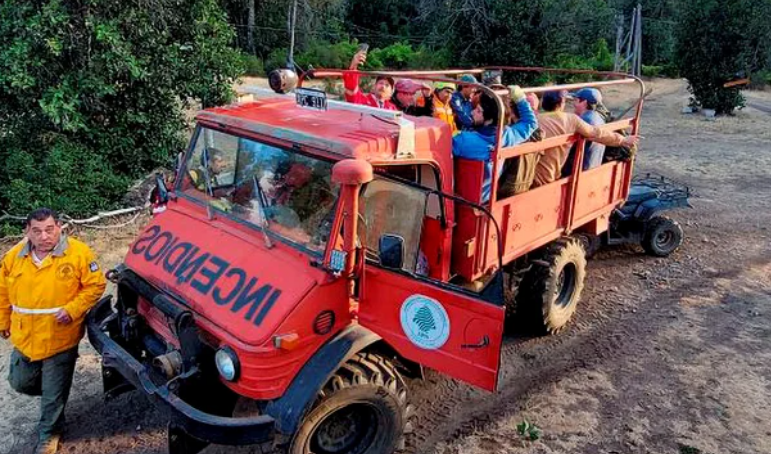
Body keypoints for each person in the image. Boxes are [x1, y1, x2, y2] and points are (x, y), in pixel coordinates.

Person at [0, 208, 106, 454]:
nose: (44, 236)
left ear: (59, 227)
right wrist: (3, 321)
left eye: (49, 229)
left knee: (52, 395)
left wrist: (72, 309)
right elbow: (3, 292)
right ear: (27, 232)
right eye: (37, 231)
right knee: (20, 382)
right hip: (26, 337)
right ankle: (54, 394)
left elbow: (95, 285)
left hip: (61, 338)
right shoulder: (14, 257)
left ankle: (49, 435)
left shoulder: (78, 253)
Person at [534, 90, 639, 187]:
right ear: (561, 104)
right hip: (566, 171)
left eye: (576, 100)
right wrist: (622, 140)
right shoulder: (574, 119)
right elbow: (596, 133)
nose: (573, 104)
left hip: (546, 173)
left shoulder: (535, 120)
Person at [452, 86, 538, 203]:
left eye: (478, 111)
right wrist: (521, 99)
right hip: (486, 199)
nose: (472, 112)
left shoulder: (463, 140)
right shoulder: (506, 136)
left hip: (460, 201)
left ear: (490, 119)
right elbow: (530, 123)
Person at [562, 88, 609, 174]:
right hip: (593, 166)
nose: (573, 104)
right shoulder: (599, 118)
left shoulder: (584, 121)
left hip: (579, 170)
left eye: (576, 100)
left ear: (584, 102)